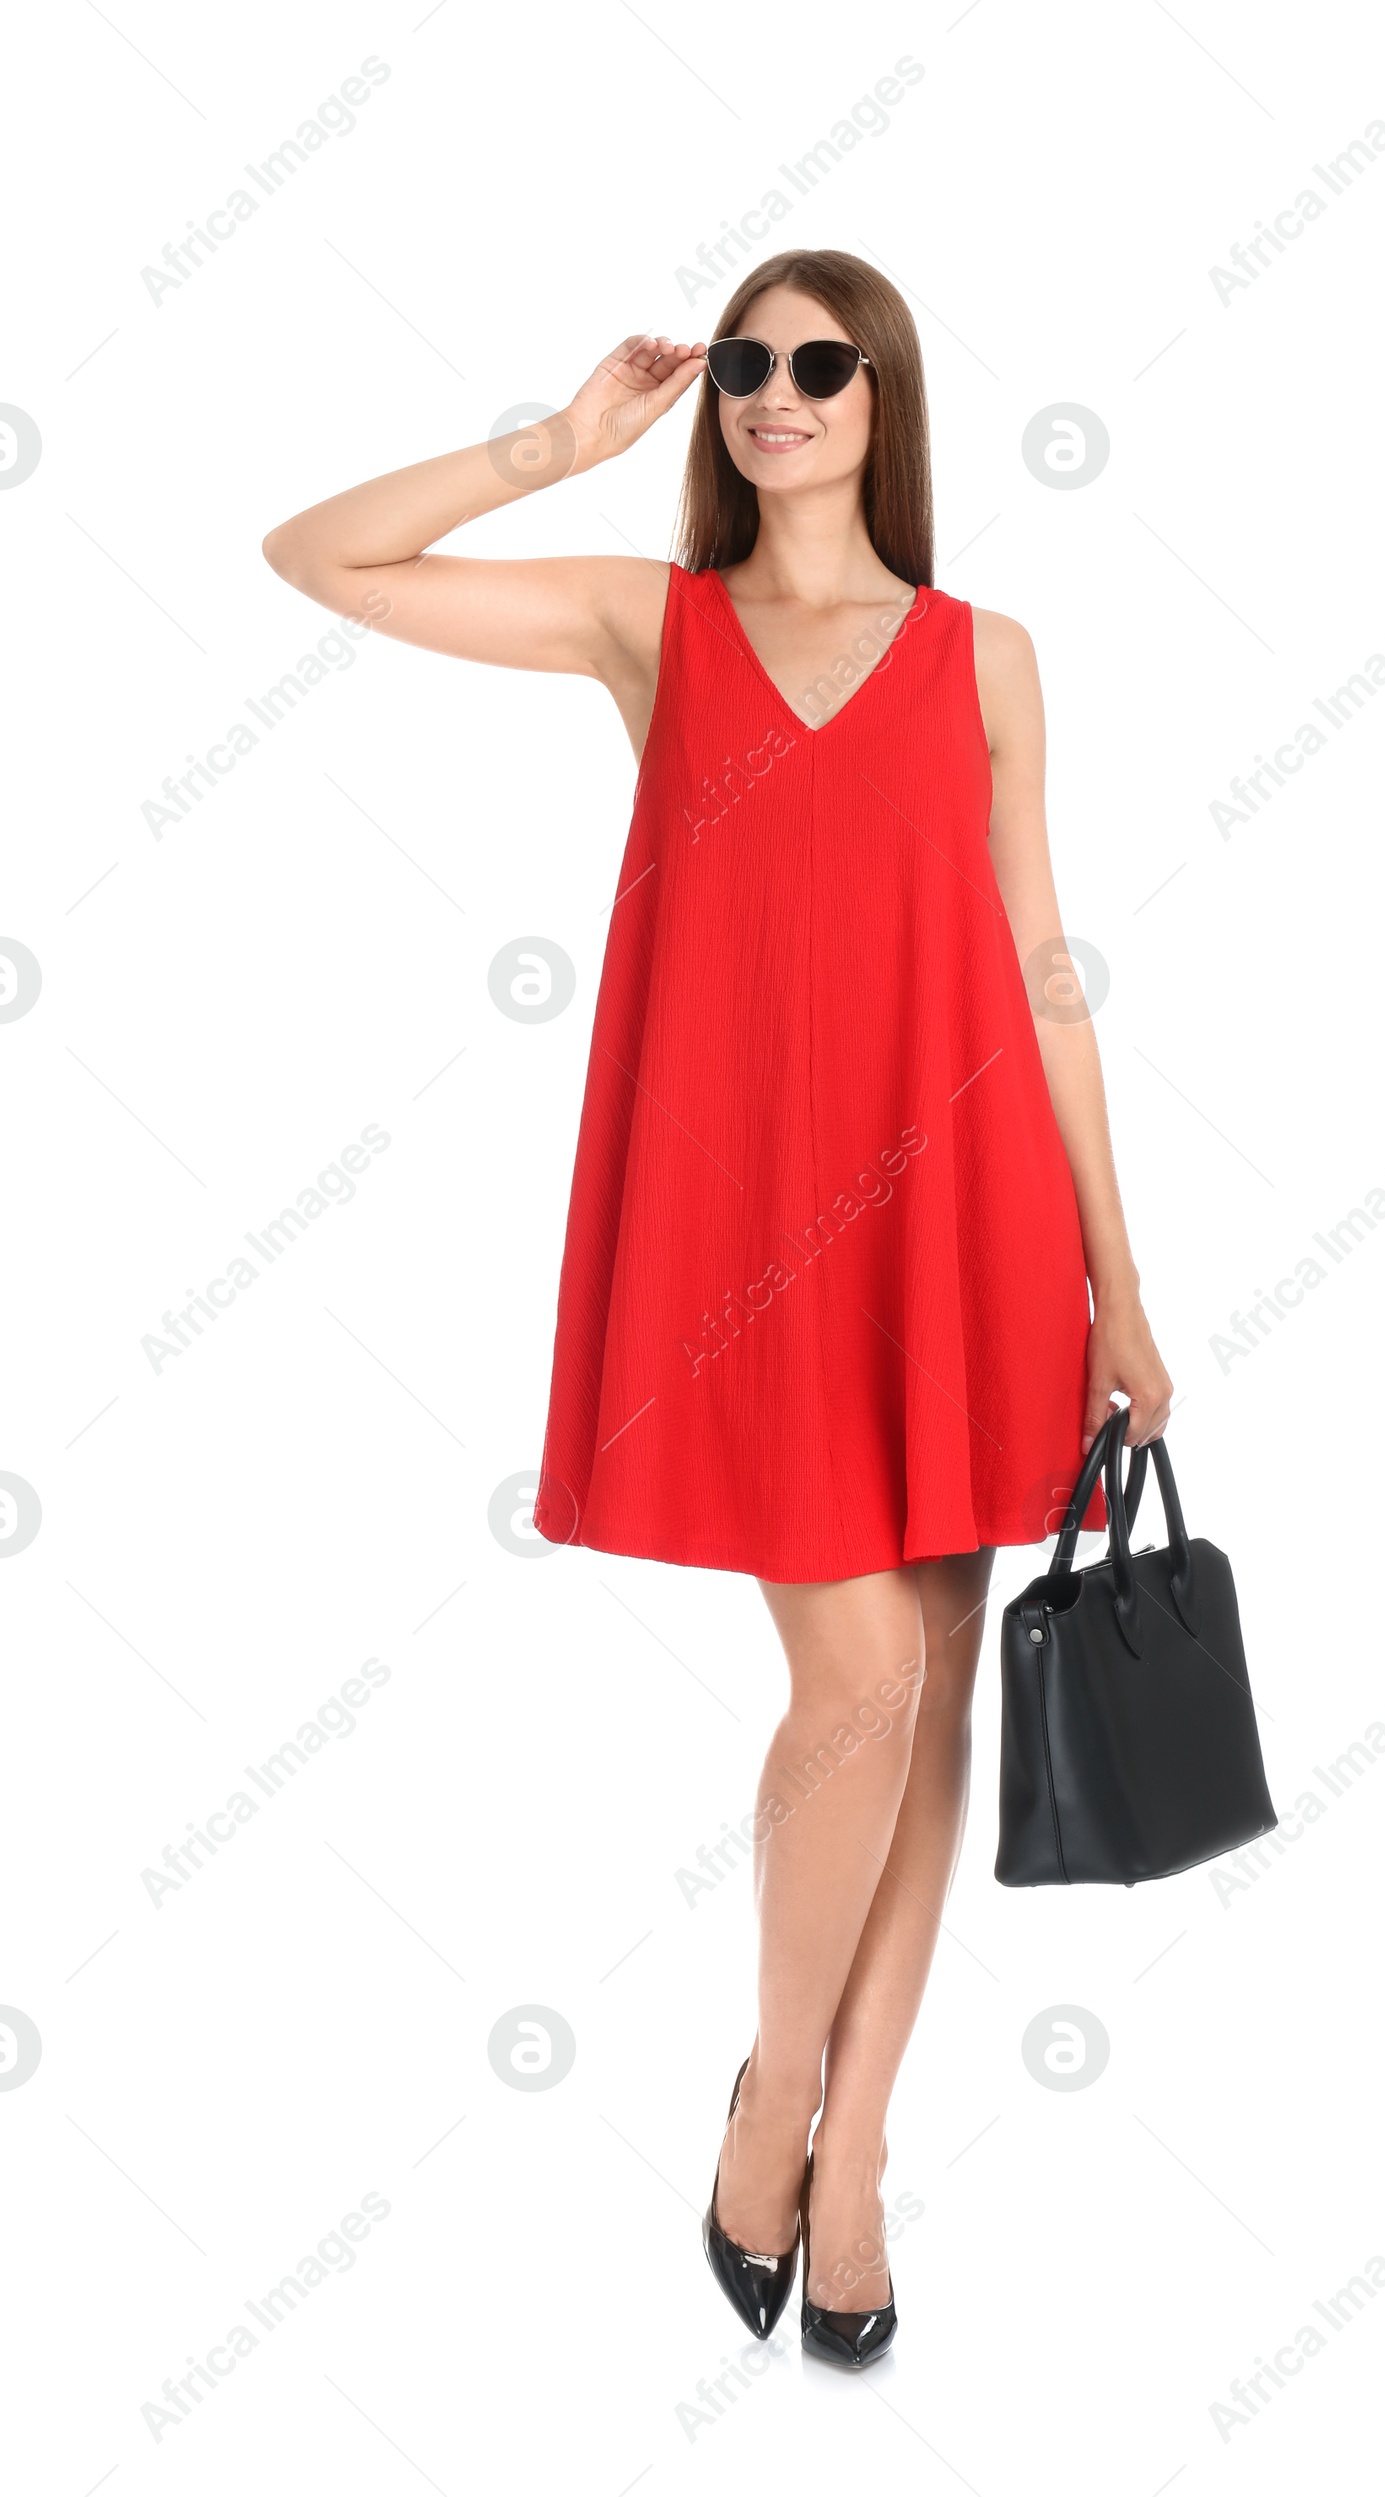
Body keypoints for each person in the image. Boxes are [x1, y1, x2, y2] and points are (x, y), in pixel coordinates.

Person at [262, 247, 1172, 2368]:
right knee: (858, 1672)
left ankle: (849, 2159)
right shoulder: (643, 620)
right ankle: (772, 2098)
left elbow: (1043, 967)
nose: (772, 391)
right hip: (751, 1235)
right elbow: (315, 554)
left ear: (884, 399)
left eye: (814, 364)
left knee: (932, 1686)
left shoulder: (986, 657)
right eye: (746, 366)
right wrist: (558, 444)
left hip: (963, 1215)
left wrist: (1118, 1281)